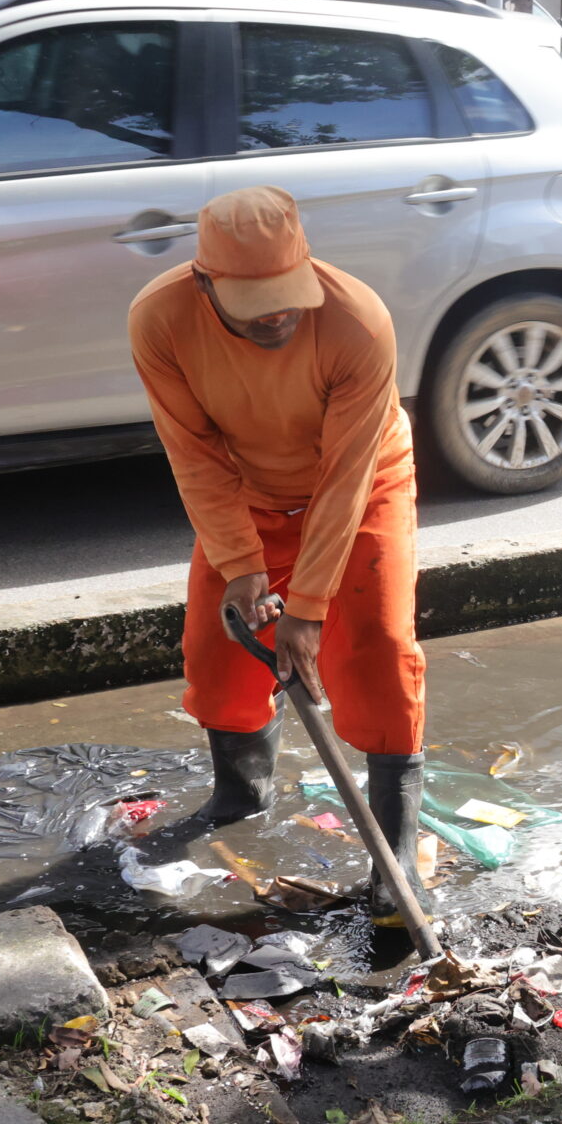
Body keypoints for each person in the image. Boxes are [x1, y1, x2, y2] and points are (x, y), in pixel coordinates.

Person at [129, 185, 427, 904]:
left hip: (360, 487)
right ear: (205, 284)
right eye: (255, 302)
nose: (279, 315)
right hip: (248, 493)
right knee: (216, 653)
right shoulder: (161, 320)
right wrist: (241, 564)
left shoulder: (357, 322)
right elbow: (193, 454)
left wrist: (310, 604)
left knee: (380, 652)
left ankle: (398, 855)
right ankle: (241, 798)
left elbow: (346, 475)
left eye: (288, 293)